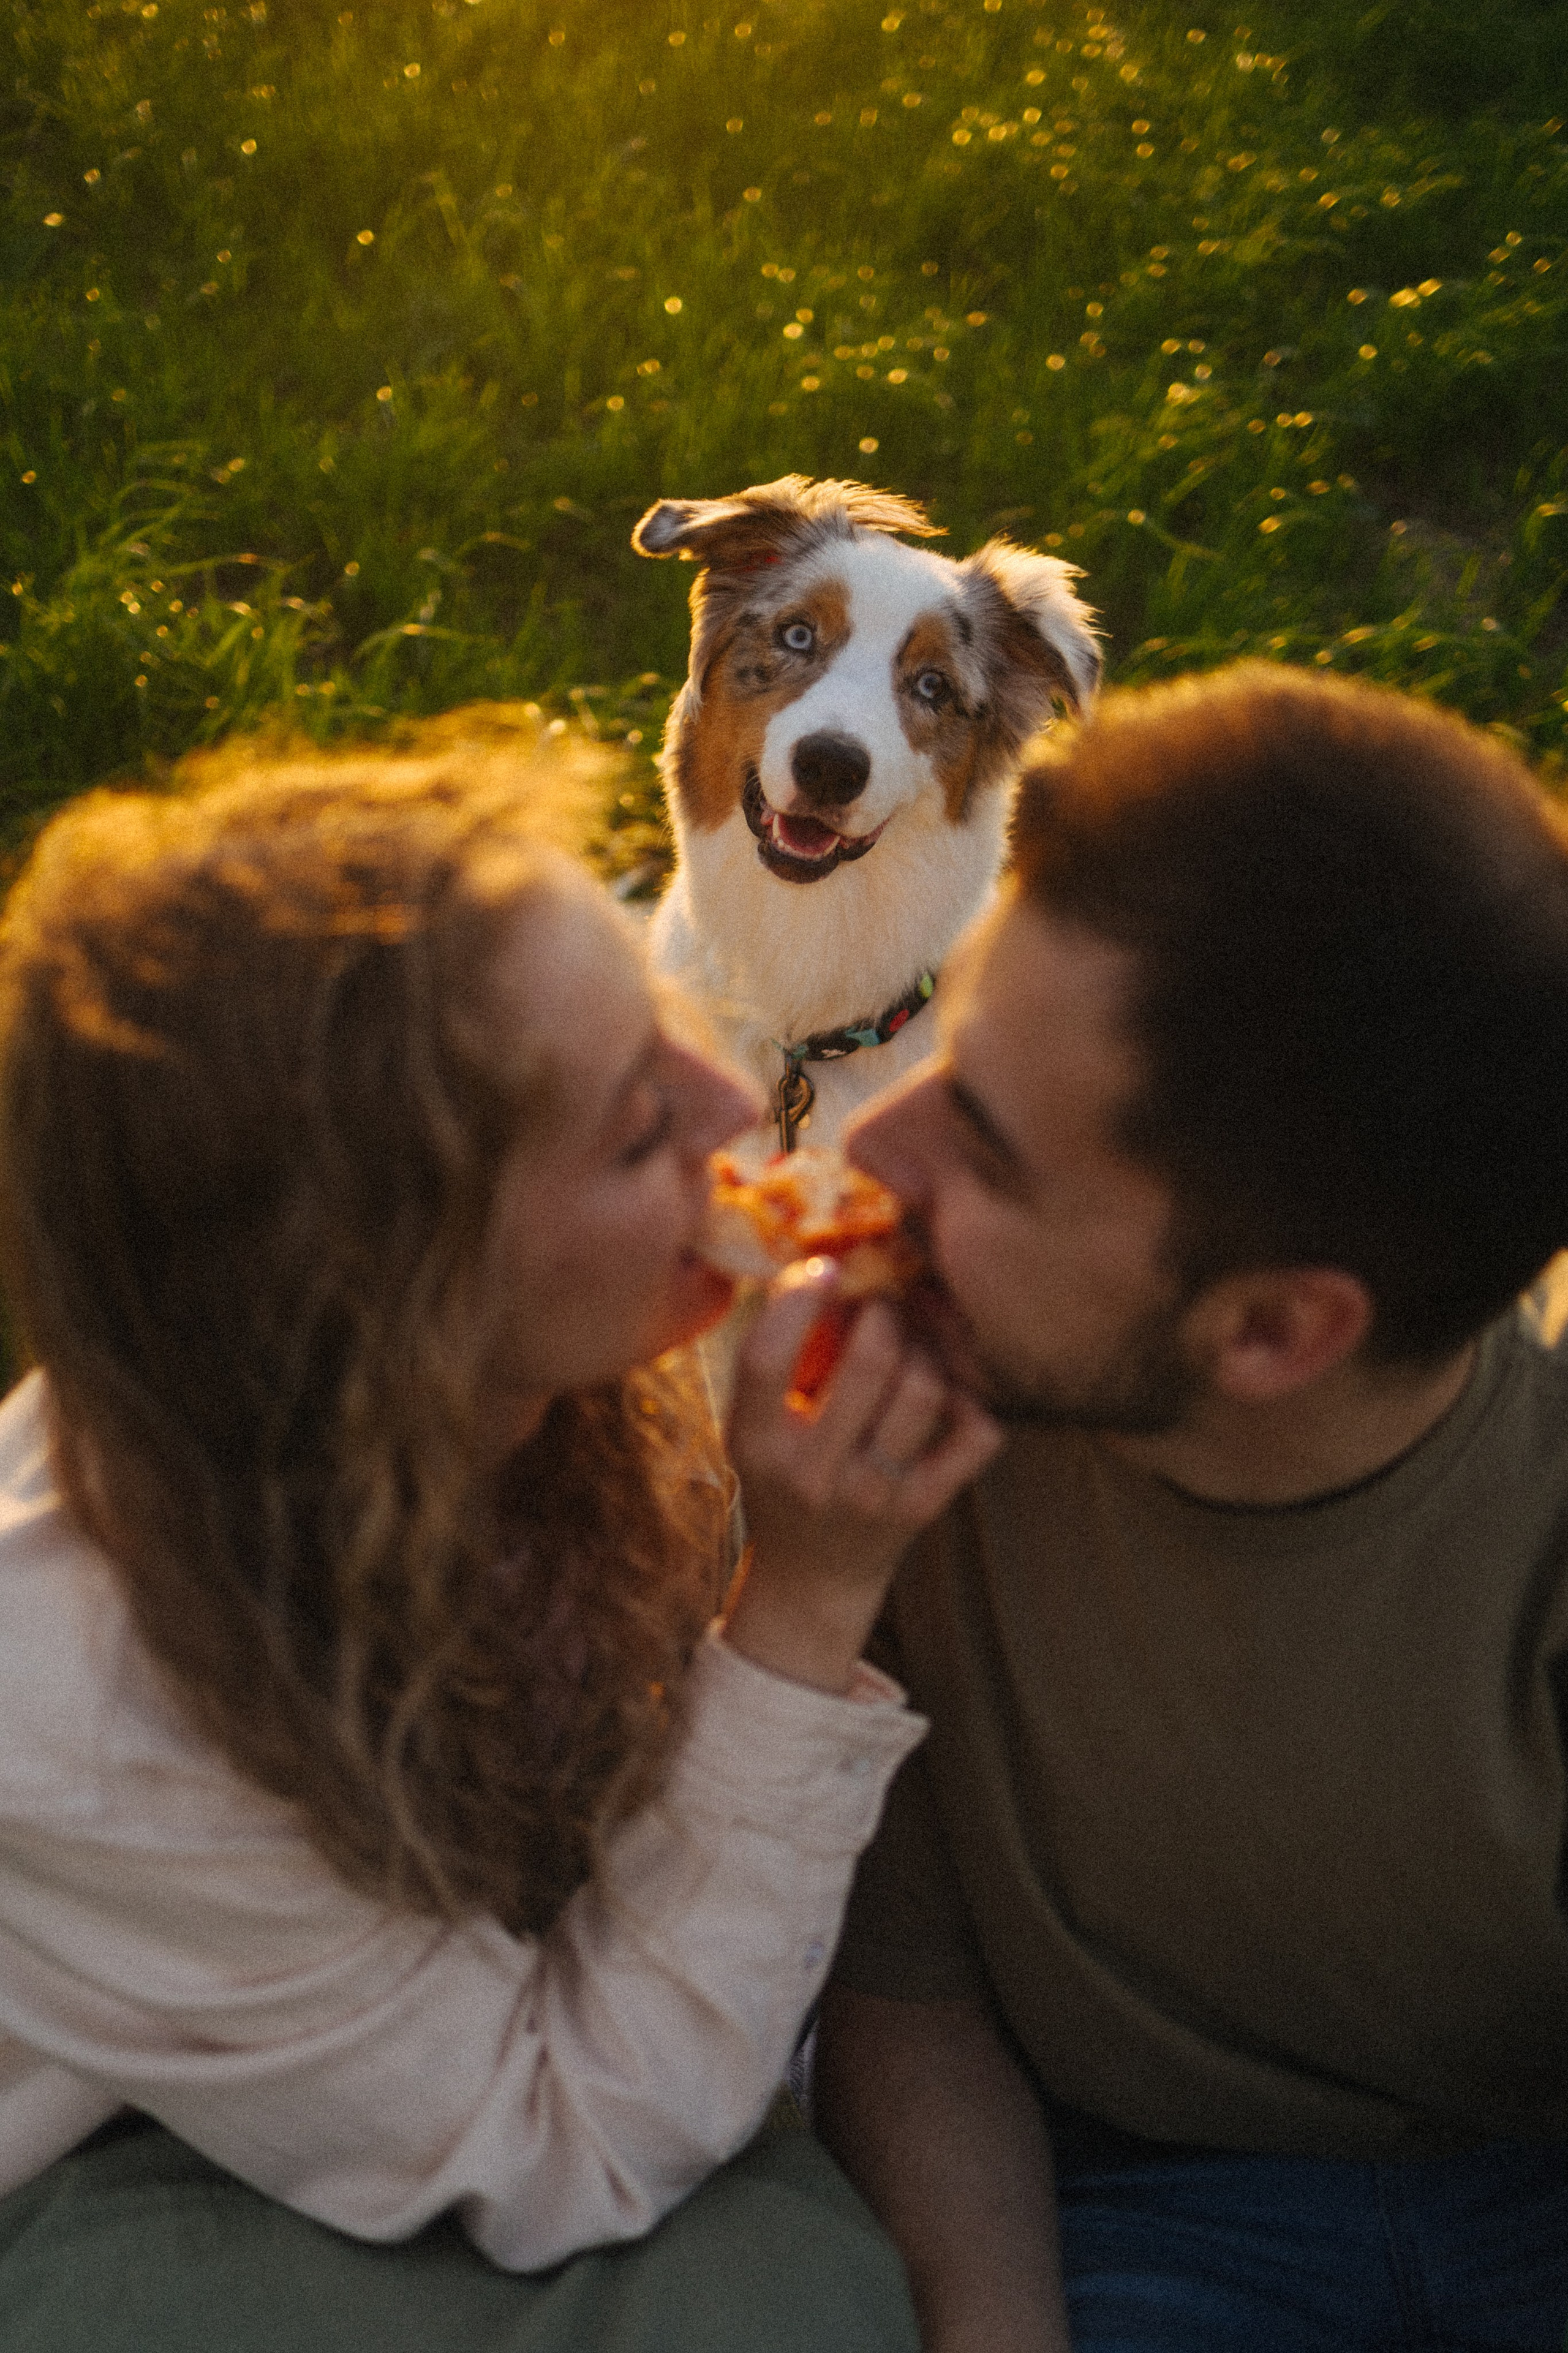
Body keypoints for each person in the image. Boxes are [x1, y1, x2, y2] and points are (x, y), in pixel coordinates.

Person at [0, 752, 1000, 2353]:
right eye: (627, 1135)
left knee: (799, 2291)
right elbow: (566, 2147)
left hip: (480, 2052)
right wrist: (805, 1603)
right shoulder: (86, 1698)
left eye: (662, 1019)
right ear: (406, 1303)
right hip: (134, 2169)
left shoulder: (555, 1360)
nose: (738, 1109)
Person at [813, 663, 1568, 2353]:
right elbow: (914, 2001)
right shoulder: (912, 1425)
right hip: (1150, 2195)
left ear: (1274, 1330)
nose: (879, 1151)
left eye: (990, 1151)